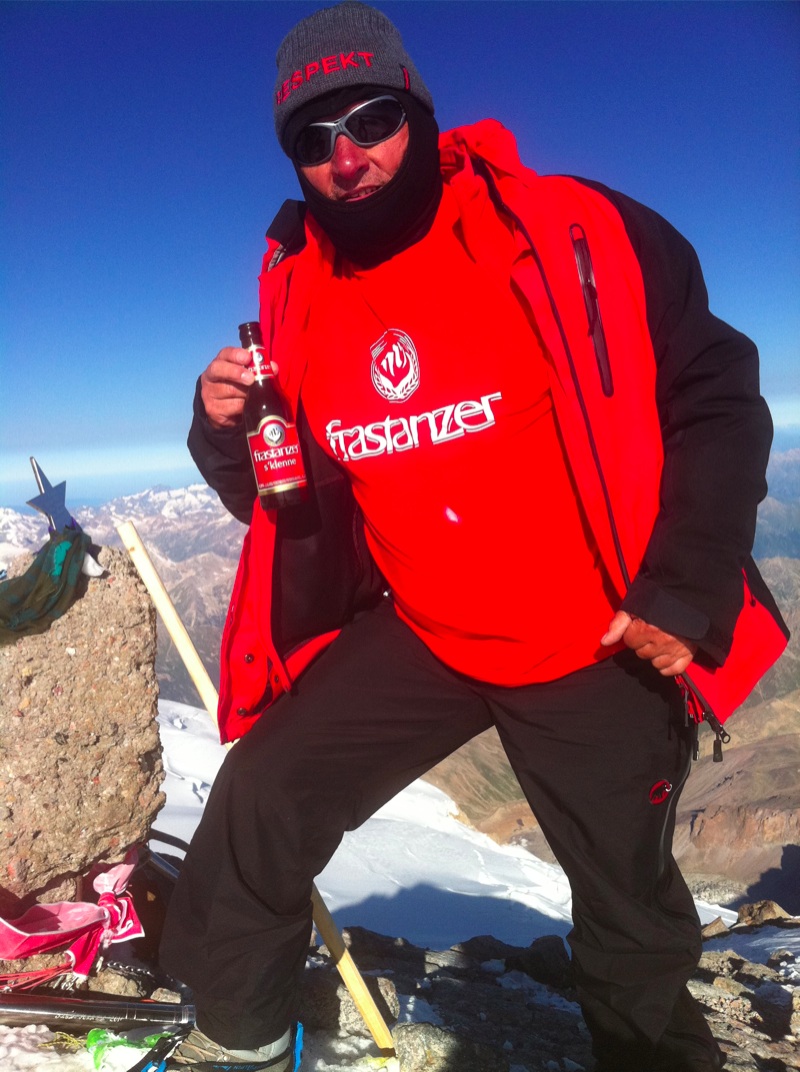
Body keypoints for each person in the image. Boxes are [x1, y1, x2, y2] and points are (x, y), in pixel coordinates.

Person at [160, 4, 789, 1070]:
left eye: (369, 120)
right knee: (264, 795)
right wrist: (221, 431)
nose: (345, 158)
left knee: (626, 911)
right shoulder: (300, 294)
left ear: (417, 110)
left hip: (594, 637)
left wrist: (685, 587)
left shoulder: (567, 230)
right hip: (426, 629)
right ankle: (243, 1035)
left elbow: (716, 394)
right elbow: (289, 495)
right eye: (313, 139)